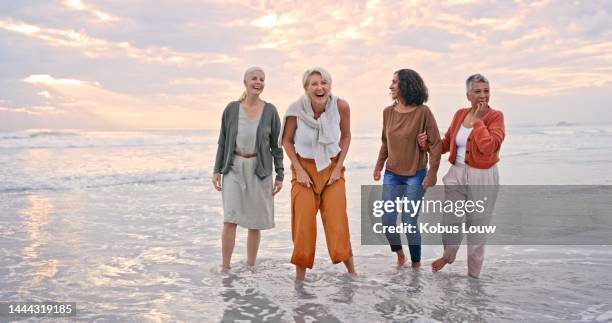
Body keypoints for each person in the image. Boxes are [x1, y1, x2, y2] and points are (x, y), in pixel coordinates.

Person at [419, 73, 505, 278]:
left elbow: (489, 147)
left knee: (477, 229)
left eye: (486, 91)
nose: (483, 95)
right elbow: (447, 144)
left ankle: (473, 278)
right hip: (456, 175)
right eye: (477, 91)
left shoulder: (496, 117)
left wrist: (479, 122)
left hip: (483, 176)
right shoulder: (459, 114)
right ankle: (448, 256)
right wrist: (426, 144)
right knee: (450, 221)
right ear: (468, 95)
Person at [281, 67, 356, 281]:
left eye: (323, 83)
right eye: (314, 83)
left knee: (337, 222)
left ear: (330, 86)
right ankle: (300, 282)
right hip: (303, 170)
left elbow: (346, 137)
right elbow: (286, 140)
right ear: (306, 88)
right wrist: (298, 169)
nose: (319, 87)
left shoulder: (341, 106)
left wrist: (338, 167)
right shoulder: (296, 109)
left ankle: (353, 275)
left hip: (332, 168)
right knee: (303, 225)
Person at [212, 67, 284, 271]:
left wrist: (280, 174)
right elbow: (223, 142)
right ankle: (225, 267)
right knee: (230, 218)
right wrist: (217, 170)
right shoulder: (231, 108)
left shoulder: (270, 110)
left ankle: (250, 266)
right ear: (245, 82)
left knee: (254, 221)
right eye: (254, 78)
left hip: (259, 168)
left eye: (262, 79)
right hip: (233, 167)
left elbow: (276, 145)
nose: (258, 82)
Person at [373, 69, 441, 269]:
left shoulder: (423, 112)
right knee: (387, 221)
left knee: (409, 221)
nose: (391, 86)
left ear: (407, 85)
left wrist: (433, 172)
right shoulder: (387, 112)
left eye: (395, 82)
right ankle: (400, 255)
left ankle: (416, 266)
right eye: (391, 82)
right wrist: (378, 166)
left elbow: (436, 144)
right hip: (392, 174)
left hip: (416, 174)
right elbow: (385, 142)